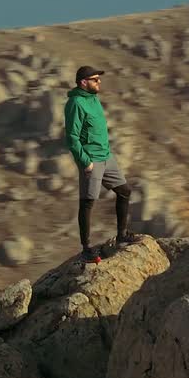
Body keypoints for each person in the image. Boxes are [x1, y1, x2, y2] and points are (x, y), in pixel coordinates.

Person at [64, 65, 139, 262]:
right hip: (92, 160)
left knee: (125, 191)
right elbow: (72, 137)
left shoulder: (94, 100)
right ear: (83, 82)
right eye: (95, 79)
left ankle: (121, 234)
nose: (99, 82)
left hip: (107, 157)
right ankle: (87, 249)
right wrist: (85, 161)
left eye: (99, 79)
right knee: (88, 202)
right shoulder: (76, 103)